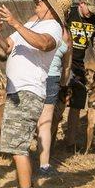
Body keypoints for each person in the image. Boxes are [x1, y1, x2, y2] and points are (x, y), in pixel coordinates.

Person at [0, 0, 72, 188]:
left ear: (52, 7)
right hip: (17, 92)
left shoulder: (54, 28)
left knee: (17, 147)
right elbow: (6, 47)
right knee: (14, 145)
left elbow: (45, 44)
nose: (36, 1)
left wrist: (15, 23)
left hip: (28, 92)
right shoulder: (32, 22)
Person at [64, 0, 95, 150]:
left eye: (93, 10)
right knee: (57, 105)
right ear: (81, 3)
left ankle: (70, 143)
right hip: (62, 63)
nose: (91, 12)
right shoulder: (69, 14)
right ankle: (47, 143)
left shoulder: (94, 21)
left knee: (77, 105)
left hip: (78, 65)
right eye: (89, 8)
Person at [36, 21, 72, 178]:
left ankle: (26, 158)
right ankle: (43, 164)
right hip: (53, 78)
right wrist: (63, 83)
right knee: (46, 122)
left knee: (35, 120)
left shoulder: (40, 25)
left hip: (36, 76)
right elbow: (68, 64)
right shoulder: (65, 33)